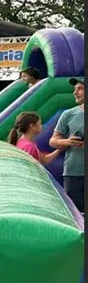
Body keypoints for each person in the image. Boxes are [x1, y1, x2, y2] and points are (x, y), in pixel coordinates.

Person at [49, 78, 85, 211]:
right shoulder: (69, 114)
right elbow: (53, 141)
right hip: (73, 173)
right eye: (74, 89)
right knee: (76, 214)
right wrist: (68, 142)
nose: (75, 93)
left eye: (80, 88)